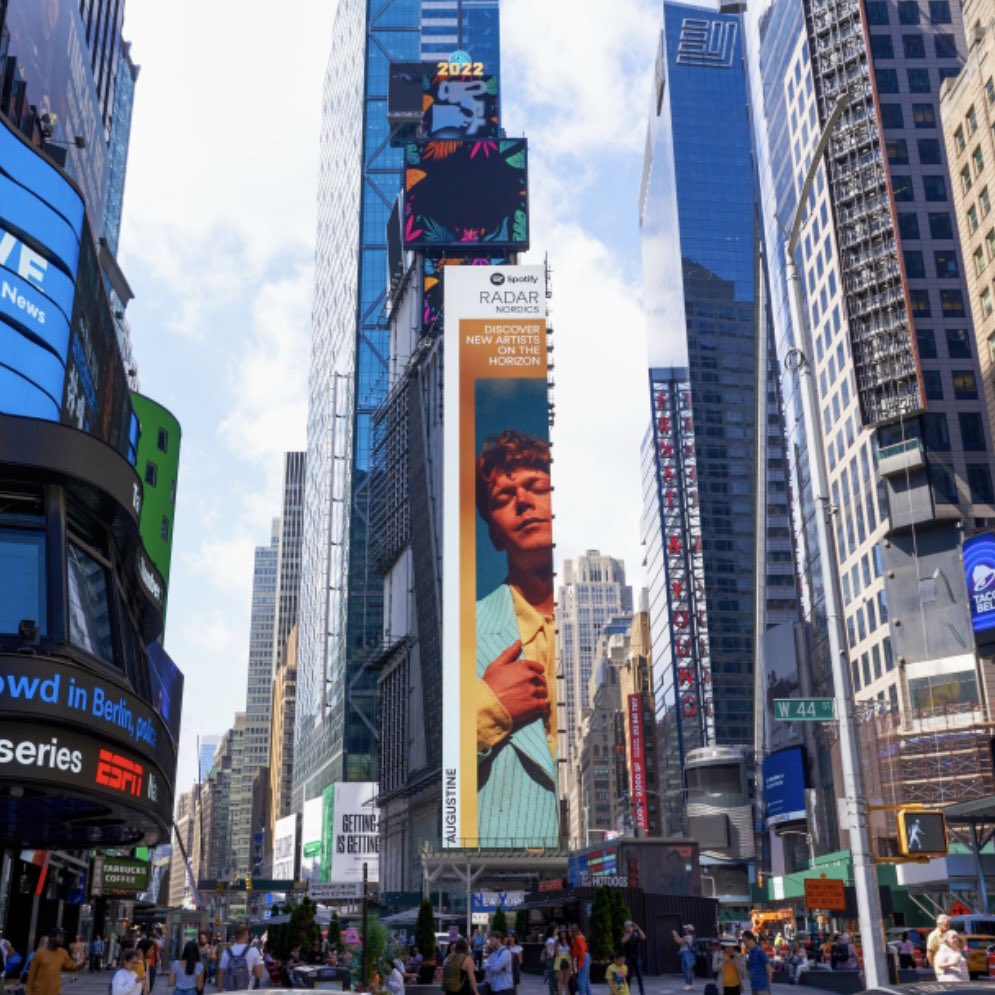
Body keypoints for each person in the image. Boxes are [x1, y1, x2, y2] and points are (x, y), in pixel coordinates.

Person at [474, 431, 559, 845]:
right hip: (499, 862)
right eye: (503, 499)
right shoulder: (466, 629)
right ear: (493, 531)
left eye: (537, 487)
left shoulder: (616, 617)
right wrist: (488, 706)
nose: (523, 502)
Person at [26, 928, 84, 995]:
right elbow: (31, 974)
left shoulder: (63, 953)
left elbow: (71, 966)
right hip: (39, 992)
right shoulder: (39, 953)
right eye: (60, 936)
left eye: (63, 937)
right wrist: (28, 992)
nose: (62, 939)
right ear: (52, 938)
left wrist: (81, 964)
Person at [217, 926, 263, 991]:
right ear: (246, 934)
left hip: (229, 992)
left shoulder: (226, 952)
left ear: (235, 935)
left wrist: (219, 991)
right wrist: (249, 971)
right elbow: (259, 974)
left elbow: (220, 975)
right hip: (246, 991)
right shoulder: (253, 951)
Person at [621, 922, 645, 995]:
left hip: (637, 957)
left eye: (631, 926)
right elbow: (623, 941)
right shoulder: (624, 934)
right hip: (628, 958)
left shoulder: (636, 933)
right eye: (629, 926)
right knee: (628, 977)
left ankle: (642, 992)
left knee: (640, 976)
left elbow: (643, 937)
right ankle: (627, 992)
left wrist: (638, 929)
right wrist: (631, 933)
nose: (630, 927)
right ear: (626, 927)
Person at [671, 925, 696, 991]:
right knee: (687, 968)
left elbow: (680, 942)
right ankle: (690, 984)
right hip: (687, 953)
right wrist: (676, 935)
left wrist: (674, 936)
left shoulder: (688, 937)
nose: (684, 929)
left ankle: (688, 984)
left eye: (685, 928)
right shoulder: (688, 937)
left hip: (687, 953)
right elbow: (681, 940)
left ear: (688, 930)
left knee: (686, 969)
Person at [570, 926, 590, 995]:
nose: (568, 933)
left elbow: (581, 951)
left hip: (583, 958)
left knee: (581, 982)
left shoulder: (578, 938)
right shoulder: (579, 938)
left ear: (573, 932)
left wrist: (580, 963)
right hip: (585, 957)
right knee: (586, 981)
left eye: (570, 931)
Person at [553, 928, 572, 995]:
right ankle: (560, 993)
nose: (563, 934)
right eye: (561, 933)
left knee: (566, 981)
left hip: (568, 960)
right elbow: (556, 953)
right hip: (559, 960)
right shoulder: (557, 942)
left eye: (564, 932)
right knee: (560, 980)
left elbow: (571, 952)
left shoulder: (569, 941)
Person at [541, 926, 557, 995]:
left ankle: (556, 991)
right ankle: (552, 993)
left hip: (556, 959)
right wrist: (553, 957)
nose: (557, 930)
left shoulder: (556, 938)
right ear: (553, 930)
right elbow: (548, 951)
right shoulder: (549, 940)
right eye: (556, 929)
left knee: (556, 977)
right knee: (552, 978)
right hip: (551, 960)